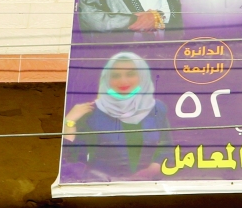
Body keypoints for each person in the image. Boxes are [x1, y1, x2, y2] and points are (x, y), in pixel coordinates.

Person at [62, 52, 172, 181]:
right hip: (103, 187)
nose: (123, 81)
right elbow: (71, 158)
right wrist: (69, 121)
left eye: (130, 74)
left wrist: (151, 170)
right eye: (115, 75)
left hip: (149, 187)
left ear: (142, 76)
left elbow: (166, 147)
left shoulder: (156, 108)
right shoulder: (91, 112)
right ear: (107, 79)